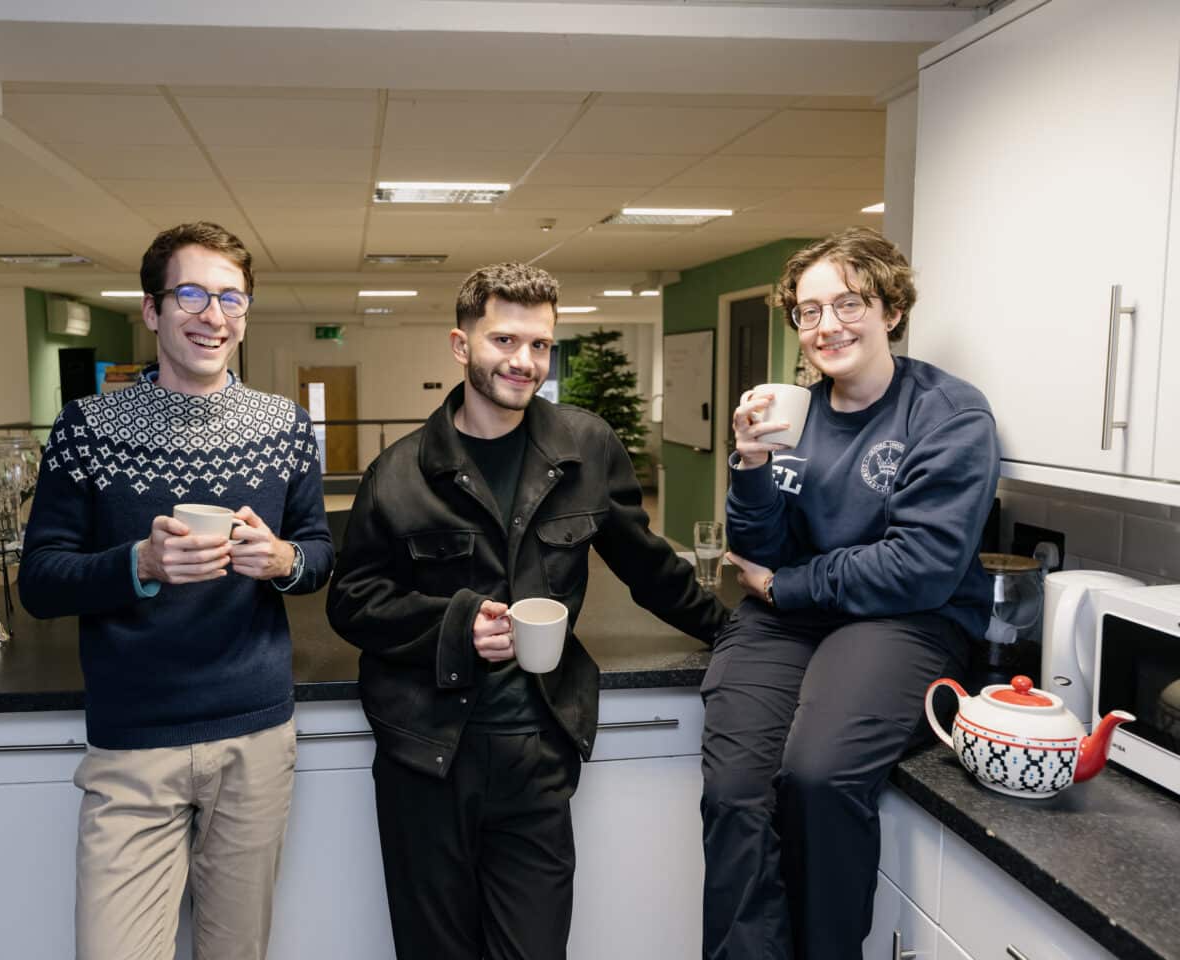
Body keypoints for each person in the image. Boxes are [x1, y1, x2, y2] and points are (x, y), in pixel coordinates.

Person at [326, 262, 726, 960]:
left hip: (536, 750)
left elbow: (649, 567)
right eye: (505, 341)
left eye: (541, 345)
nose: (525, 362)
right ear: (461, 345)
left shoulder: (585, 447)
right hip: (427, 758)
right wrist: (453, 625)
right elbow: (353, 600)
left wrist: (738, 630)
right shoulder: (398, 471)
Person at [18, 221, 334, 960]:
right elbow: (40, 580)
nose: (213, 315)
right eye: (191, 293)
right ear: (153, 310)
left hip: (254, 736)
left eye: (231, 298)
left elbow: (319, 553)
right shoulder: (87, 428)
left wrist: (282, 557)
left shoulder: (284, 426)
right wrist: (141, 565)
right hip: (133, 746)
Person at [701, 226, 1000, 959]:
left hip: (903, 619)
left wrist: (791, 584)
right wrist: (749, 461)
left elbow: (921, 566)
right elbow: (758, 548)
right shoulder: (796, 413)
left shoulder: (947, 415)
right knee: (735, 789)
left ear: (891, 309)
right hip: (788, 617)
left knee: (818, 775)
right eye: (808, 311)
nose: (827, 325)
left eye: (849, 303)